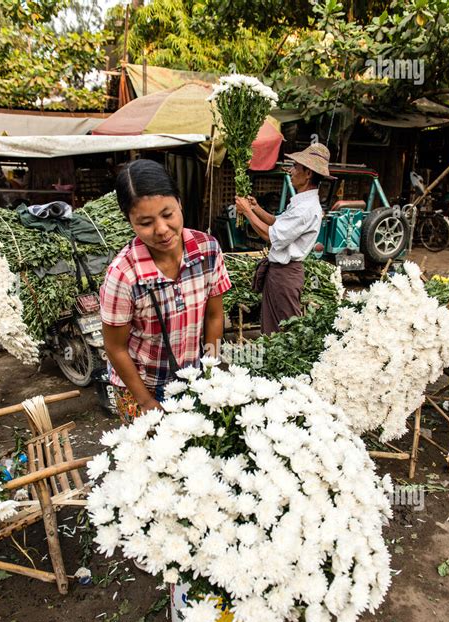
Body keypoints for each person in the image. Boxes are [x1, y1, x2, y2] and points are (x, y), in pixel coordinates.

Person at [100, 159, 231, 423]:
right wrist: (146, 401)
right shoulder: (124, 274)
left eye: (168, 214)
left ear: (179, 203)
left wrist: (210, 370)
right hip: (140, 385)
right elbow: (115, 348)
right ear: (129, 221)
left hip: (191, 378)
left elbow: (214, 316)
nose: (161, 230)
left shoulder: (207, 250)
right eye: (145, 222)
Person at [236, 143, 335, 335]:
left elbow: (271, 236)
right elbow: (277, 224)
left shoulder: (306, 209)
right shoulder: (301, 203)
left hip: (285, 276)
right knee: (272, 330)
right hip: (279, 275)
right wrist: (256, 208)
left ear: (308, 173)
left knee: (285, 332)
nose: (291, 171)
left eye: (295, 167)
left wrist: (247, 212)